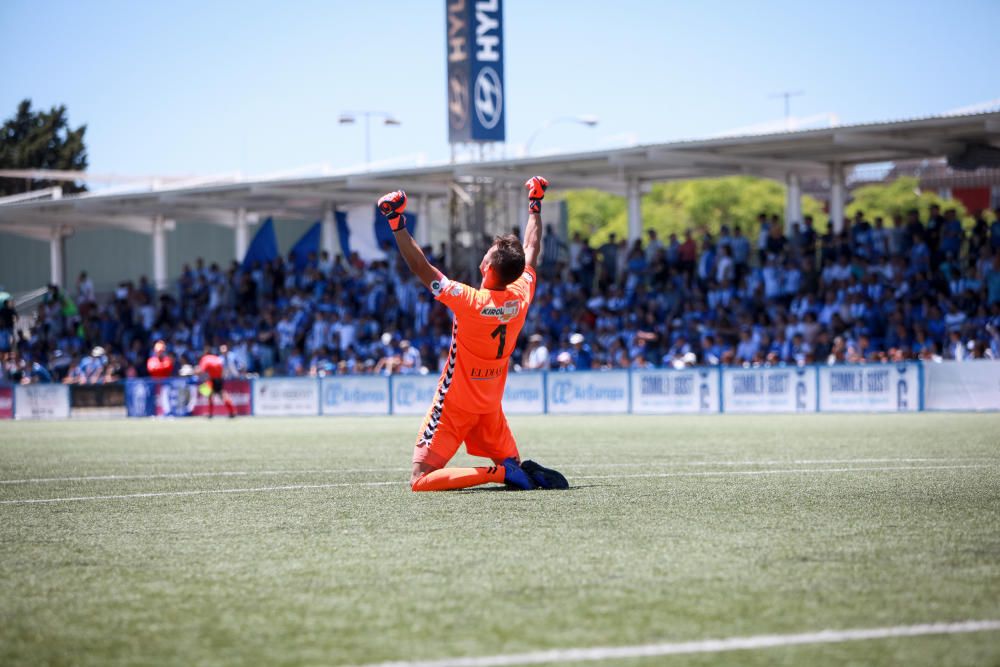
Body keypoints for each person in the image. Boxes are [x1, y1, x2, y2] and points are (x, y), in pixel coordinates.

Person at [377, 177, 568, 492]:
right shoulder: (520, 296)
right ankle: (511, 469)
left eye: (489, 251)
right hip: (489, 407)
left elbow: (421, 268)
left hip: (454, 405)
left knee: (420, 480)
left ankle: (499, 473)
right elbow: (532, 249)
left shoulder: (470, 301)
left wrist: (396, 222)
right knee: (515, 467)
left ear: (488, 267)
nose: (485, 252)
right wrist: (535, 204)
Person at [197, 346, 235, 418]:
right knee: (221, 395)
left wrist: (196, 374)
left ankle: (210, 413)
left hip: (212, 379)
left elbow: (201, 371)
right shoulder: (216, 358)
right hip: (219, 379)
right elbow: (221, 368)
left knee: (208, 394)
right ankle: (232, 412)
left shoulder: (205, 358)